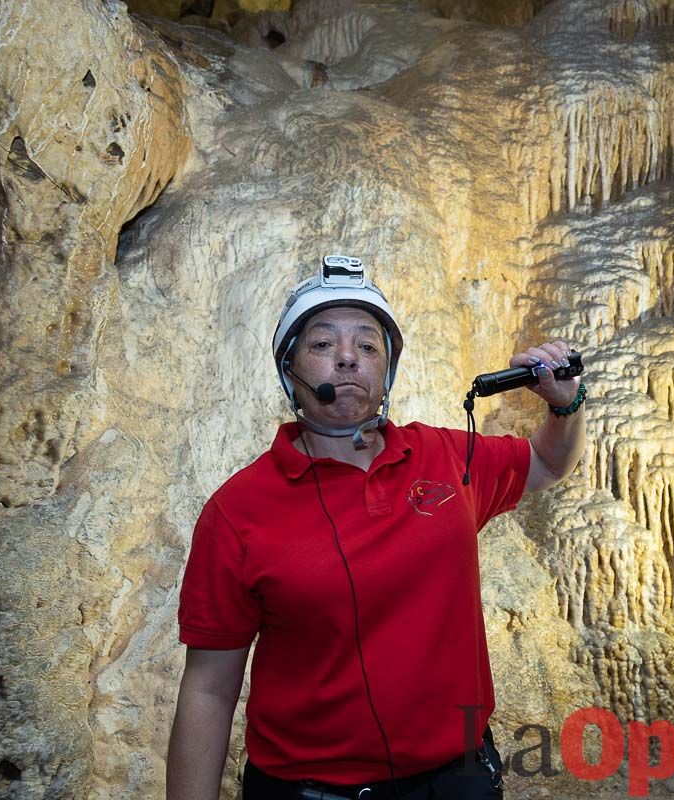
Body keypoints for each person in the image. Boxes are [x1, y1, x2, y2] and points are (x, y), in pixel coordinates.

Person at [166, 255, 586, 800]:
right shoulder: (237, 512)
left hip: (457, 780)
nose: (347, 359)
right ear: (288, 369)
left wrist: (567, 405)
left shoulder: (445, 457)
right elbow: (208, 689)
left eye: (367, 346)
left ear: (386, 371)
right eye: (322, 344)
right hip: (308, 792)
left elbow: (547, 464)